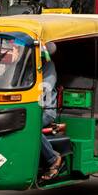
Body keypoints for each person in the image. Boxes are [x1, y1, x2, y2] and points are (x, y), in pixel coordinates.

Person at [38, 43, 65, 181]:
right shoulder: (27, 64)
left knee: (30, 127)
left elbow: (45, 88)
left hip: (45, 111)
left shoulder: (48, 66)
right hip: (29, 108)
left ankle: (53, 158)